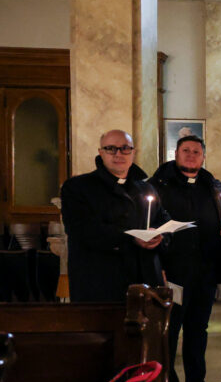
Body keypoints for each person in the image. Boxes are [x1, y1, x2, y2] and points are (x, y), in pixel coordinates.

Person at [149, 135, 221, 382]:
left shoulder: (212, 185)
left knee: (198, 330)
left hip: (205, 268)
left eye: (196, 152)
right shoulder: (158, 185)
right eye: (185, 151)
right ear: (176, 153)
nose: (190, 155)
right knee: (170, 331)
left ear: (203, 156)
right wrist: (158, 266)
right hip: (173, 270)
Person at [61, 129, 168, 302]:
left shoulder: (146, 188)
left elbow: (162, 219)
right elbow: (82, 229)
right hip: (100, 282)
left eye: (125, 148)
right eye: (111, 148)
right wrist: (131, 237)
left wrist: (158, 234)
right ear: (100, 152)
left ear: (133, 152)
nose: (119, 154)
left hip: (144, 281)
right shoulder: (78, 187)